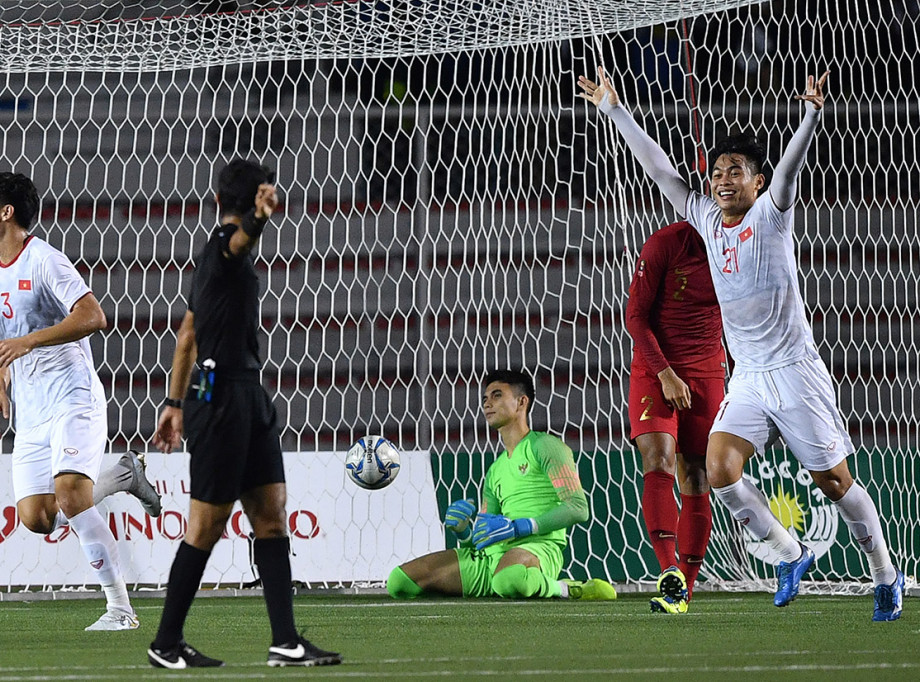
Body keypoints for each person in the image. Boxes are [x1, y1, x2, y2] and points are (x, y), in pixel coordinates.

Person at [579, 67, 904, 621]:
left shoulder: (773, 218)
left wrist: (810, 117)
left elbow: (790, 171)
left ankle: (884, 574)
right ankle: (788, 553)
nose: (724, 179)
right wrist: (613, 109)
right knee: (720, 468)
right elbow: (660, 169)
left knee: (833, 482)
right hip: (749, 375)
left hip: (795, 371)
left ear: (757, 181)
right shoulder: (706, 218)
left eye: (737, 171)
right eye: (718, 171)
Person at [147, 158, 342, 669]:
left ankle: (286, 641)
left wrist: (171, 402)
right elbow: (241, 242)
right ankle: (165, 643)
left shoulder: (215, 268)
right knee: (205, 527)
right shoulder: (223, 249)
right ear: (252, 197)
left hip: (247, 395)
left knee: (272, 517)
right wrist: (259, 221)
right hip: (220, 402)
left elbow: (188, 333)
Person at [0, 170, 161, 631]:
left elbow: (93, 316)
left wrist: (32, 343)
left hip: (72, 396)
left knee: (71, 496)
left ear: (7, 212)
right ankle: (122, 474)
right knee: (38, 518)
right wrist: (1, 384)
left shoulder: (44, 260)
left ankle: (121, 609)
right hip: (32, 408)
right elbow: (8, 335)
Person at [387, 369, 616, 602]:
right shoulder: (495, 469)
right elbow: (482, 537)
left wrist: (521, 527)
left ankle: (570, 589)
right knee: (399, 582)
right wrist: (464, 531)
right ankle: (500, 583)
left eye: (497, 396)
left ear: (521, 402)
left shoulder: (546, 446)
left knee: (510, 579)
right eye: (485, 398)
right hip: (490, 560)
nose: (487, 403)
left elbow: (578, 508)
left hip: (537, 549)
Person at [626, 221, 726, 614]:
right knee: (658, 459)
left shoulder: (747, 244)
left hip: (708, 372)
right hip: (656, 370)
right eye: (717, 175)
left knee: (698, 474)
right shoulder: (667, 243)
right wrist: (665, 373)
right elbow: (635, 316)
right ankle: (668, 567)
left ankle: (683, 589)